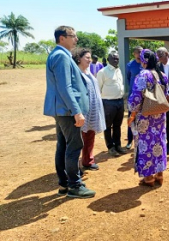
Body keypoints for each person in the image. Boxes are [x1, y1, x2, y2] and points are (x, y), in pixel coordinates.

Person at [43, 26, 95, 198]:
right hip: (67, 111)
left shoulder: (60, 55)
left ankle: (65, 183)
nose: (76, 39)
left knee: (63, 145)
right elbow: (65, 87)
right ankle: (74, 185)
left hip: (62, 110)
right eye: (73, 36)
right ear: (62, 38)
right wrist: (76, 111)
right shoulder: (61, 56)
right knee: (74, 146)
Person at [127, 49, 168, 187]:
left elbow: (136, 97)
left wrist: (132, 113)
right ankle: (160, 175)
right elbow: (165, 94)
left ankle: (149, 178)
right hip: (160, 116)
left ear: (144, 61)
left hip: (145, 117)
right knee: (159, 143)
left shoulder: (142, 75)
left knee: (146, 145)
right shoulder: (162, 75)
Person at [72, 48, 106, 171]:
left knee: (90, 136)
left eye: (90, 57)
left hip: (93, 111)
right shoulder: (76, 73)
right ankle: (76, 166)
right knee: (80, 139)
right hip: (83, 112)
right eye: (87, 57)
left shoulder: (88, 72)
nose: (90, 60)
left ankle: (88, 161)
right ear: (79, 59)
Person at [97, 51, 127, 157]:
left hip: (119, 101)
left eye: (117, 58)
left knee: (117, 125)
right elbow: (98, 88)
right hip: (108, 103)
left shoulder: (118, 70)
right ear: (108, 59)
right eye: (113, 58)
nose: (116, 60)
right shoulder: (103, 72)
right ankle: (110, 147)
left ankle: (118, 145)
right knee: (108, 126)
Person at [126, 46, 143, 149]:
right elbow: (128, 78)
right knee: (131, 118)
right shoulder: (130, 65)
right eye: (138, 52)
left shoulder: (145, 64)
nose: (139, 54)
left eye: (141, 52)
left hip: (144, 97)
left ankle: (141, 140)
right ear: (134, 54)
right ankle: (129, 140)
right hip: (133, 96)